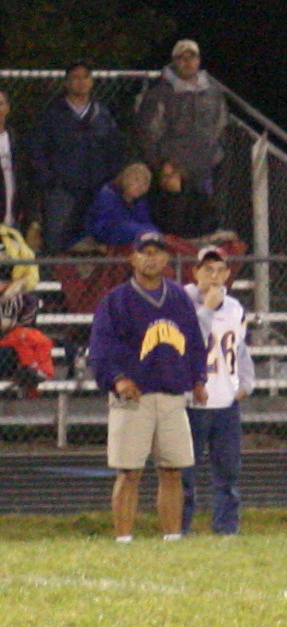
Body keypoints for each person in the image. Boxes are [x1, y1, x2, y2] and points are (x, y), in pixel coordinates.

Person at [86, 230, 208, 541]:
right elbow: (99, 350)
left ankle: (172, 537)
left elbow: (194, 342)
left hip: (171, 395)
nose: (151, 258)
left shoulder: (178, 297)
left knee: (172, 470)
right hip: (133, 397)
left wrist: (198, 379)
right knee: (129, 472)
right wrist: (117, 379)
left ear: (166, 258)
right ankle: (123, 539)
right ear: (133, 258)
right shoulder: (116, 300)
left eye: (157, 252)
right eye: (145, 252)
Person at [182, 245, 253, 535]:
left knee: (228, 474)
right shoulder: (182, 301)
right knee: (184, 473)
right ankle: (179, 528)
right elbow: (187, 343)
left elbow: (239, 347)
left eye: (220, 270)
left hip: (225, 402)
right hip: (191, 402)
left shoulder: (234, 307)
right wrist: (207, 309)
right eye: (208, 269)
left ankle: (226, 529)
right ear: (195, 271)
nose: (214, 276)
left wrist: (246, 384)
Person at [27, 62, 124, 254]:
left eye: (85, 77)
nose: (81, 82)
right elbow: (37, 150)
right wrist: (50, 180)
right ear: (66, 82)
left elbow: (114, 149)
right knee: (56, 241)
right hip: (62, 191)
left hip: (96, 189)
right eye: (75, 77)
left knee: (94, 242)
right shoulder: (52, 114)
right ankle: (51, 273)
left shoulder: (102, 114)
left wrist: (109, 180)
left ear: (92, 82)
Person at [136, 40, 228, 196]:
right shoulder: (159, 93)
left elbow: (221, 126)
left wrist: (216, 156)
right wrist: (161, 166)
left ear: (198, 60)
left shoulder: (213, 91)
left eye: (192, 57)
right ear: (174, 61)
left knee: (206, 209)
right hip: (173, 173)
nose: (188, 62)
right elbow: (147, 134)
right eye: (182, 58)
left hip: (205, 169)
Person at [84, 163, 155, 247]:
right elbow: (103, 231)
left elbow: (146, 222)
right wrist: (143, 233)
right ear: (125, 179)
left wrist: (154, 234)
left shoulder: (140, 201)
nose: (140, 186)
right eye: (136, 180)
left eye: (145, 183)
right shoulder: (107, 196)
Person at [149, 161, 218, 239]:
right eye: (165, 176)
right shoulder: (158, 199)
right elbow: (167, 224)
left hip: (200, 236)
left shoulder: (196, 194)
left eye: (173, 173)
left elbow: (208, 219)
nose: (171, 178)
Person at [0, 89, 33, 242]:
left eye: (1, 104)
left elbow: (24, 178)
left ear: (7, 108)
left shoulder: (16, 140)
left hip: (12, 219)